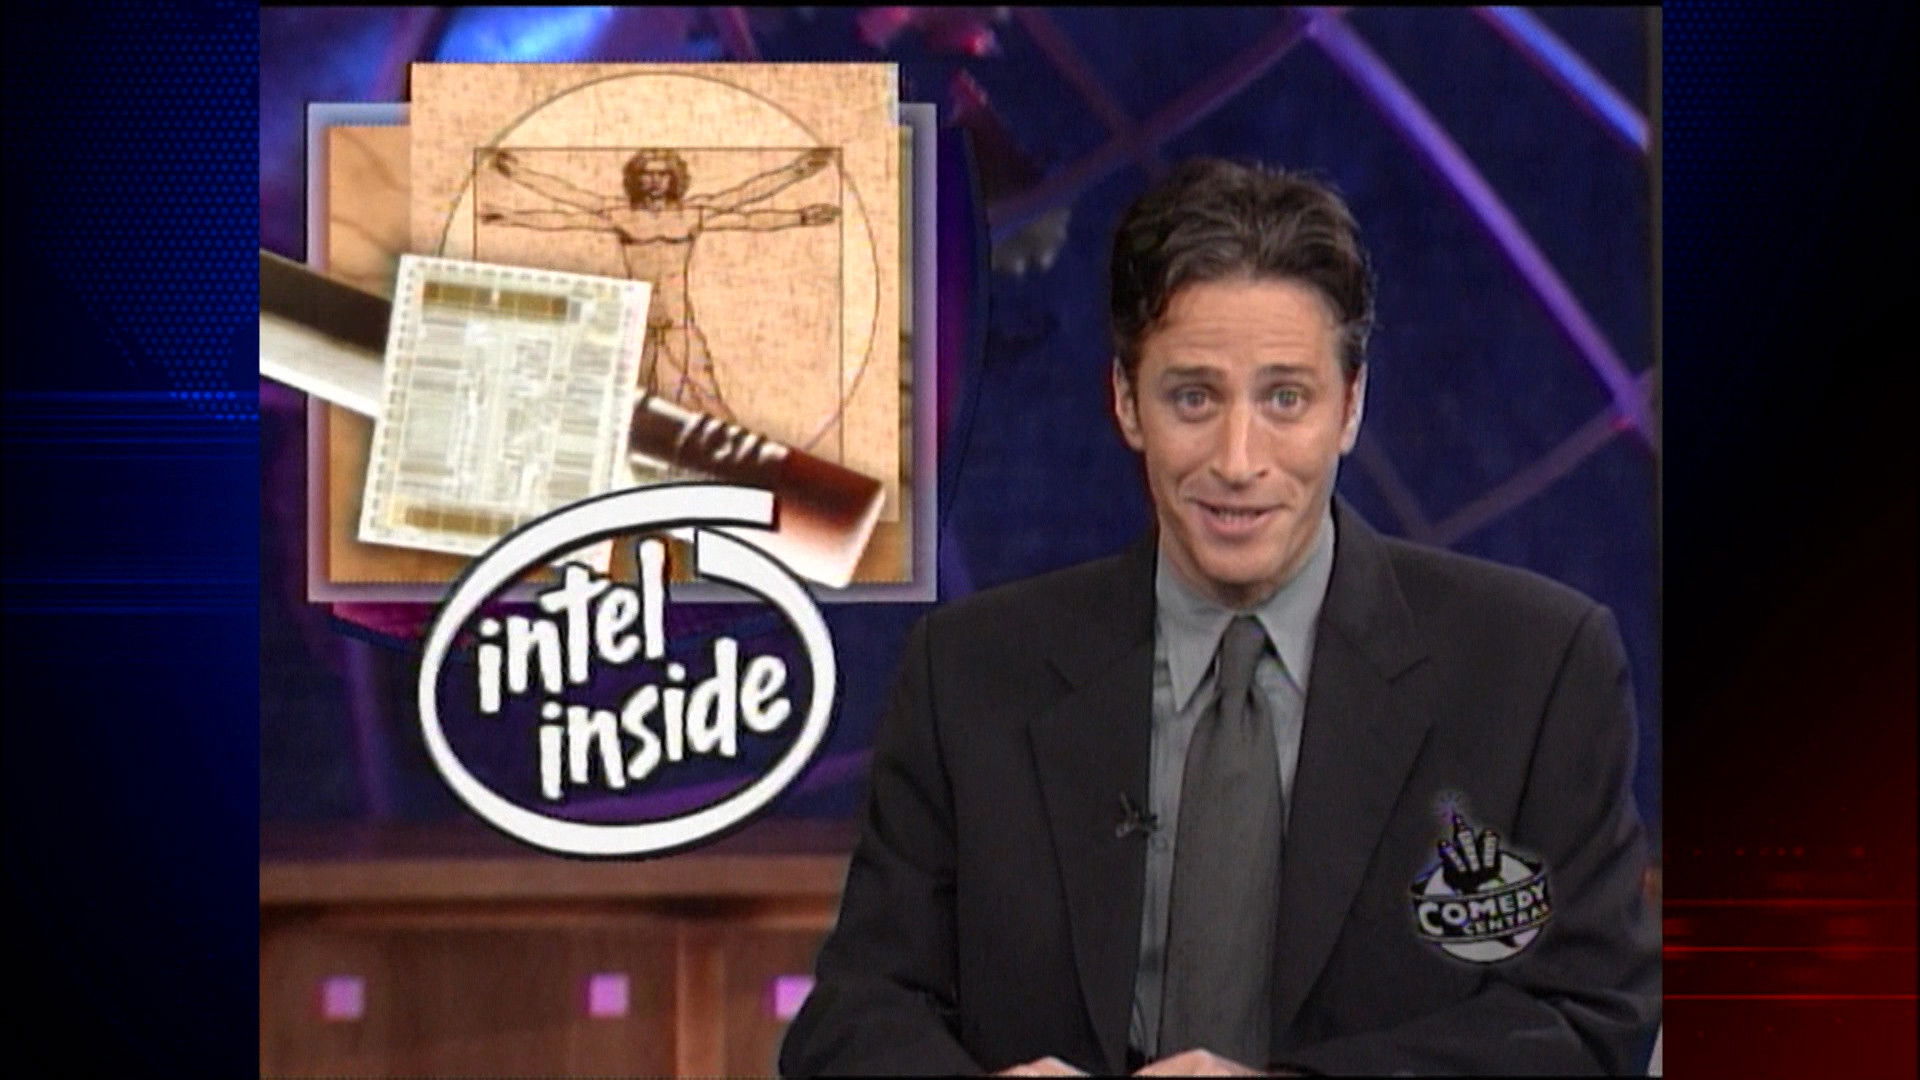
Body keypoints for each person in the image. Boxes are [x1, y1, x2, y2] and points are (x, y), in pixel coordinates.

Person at [779, 159, 1660, 1076]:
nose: (1239, 461)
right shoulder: (970, 672)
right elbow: (854, 1017)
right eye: (1194, 397)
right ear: (1127, 403)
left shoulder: (1533, 670)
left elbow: (1591, 1026)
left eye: (1285, 399)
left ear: (1350, 406)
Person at [479, 147, 840, 420]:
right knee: (625, 395)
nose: (654, 181)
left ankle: (739, 466)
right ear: (636, 179)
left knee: (704, 387)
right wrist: (513, 199)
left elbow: (745, 206)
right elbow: (565, 210)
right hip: (637, 317)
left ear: (674, 179)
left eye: (662, 175)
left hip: (679, 319)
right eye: (647, 175)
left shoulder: (692, 214)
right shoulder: (621, 215)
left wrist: (799, 202)